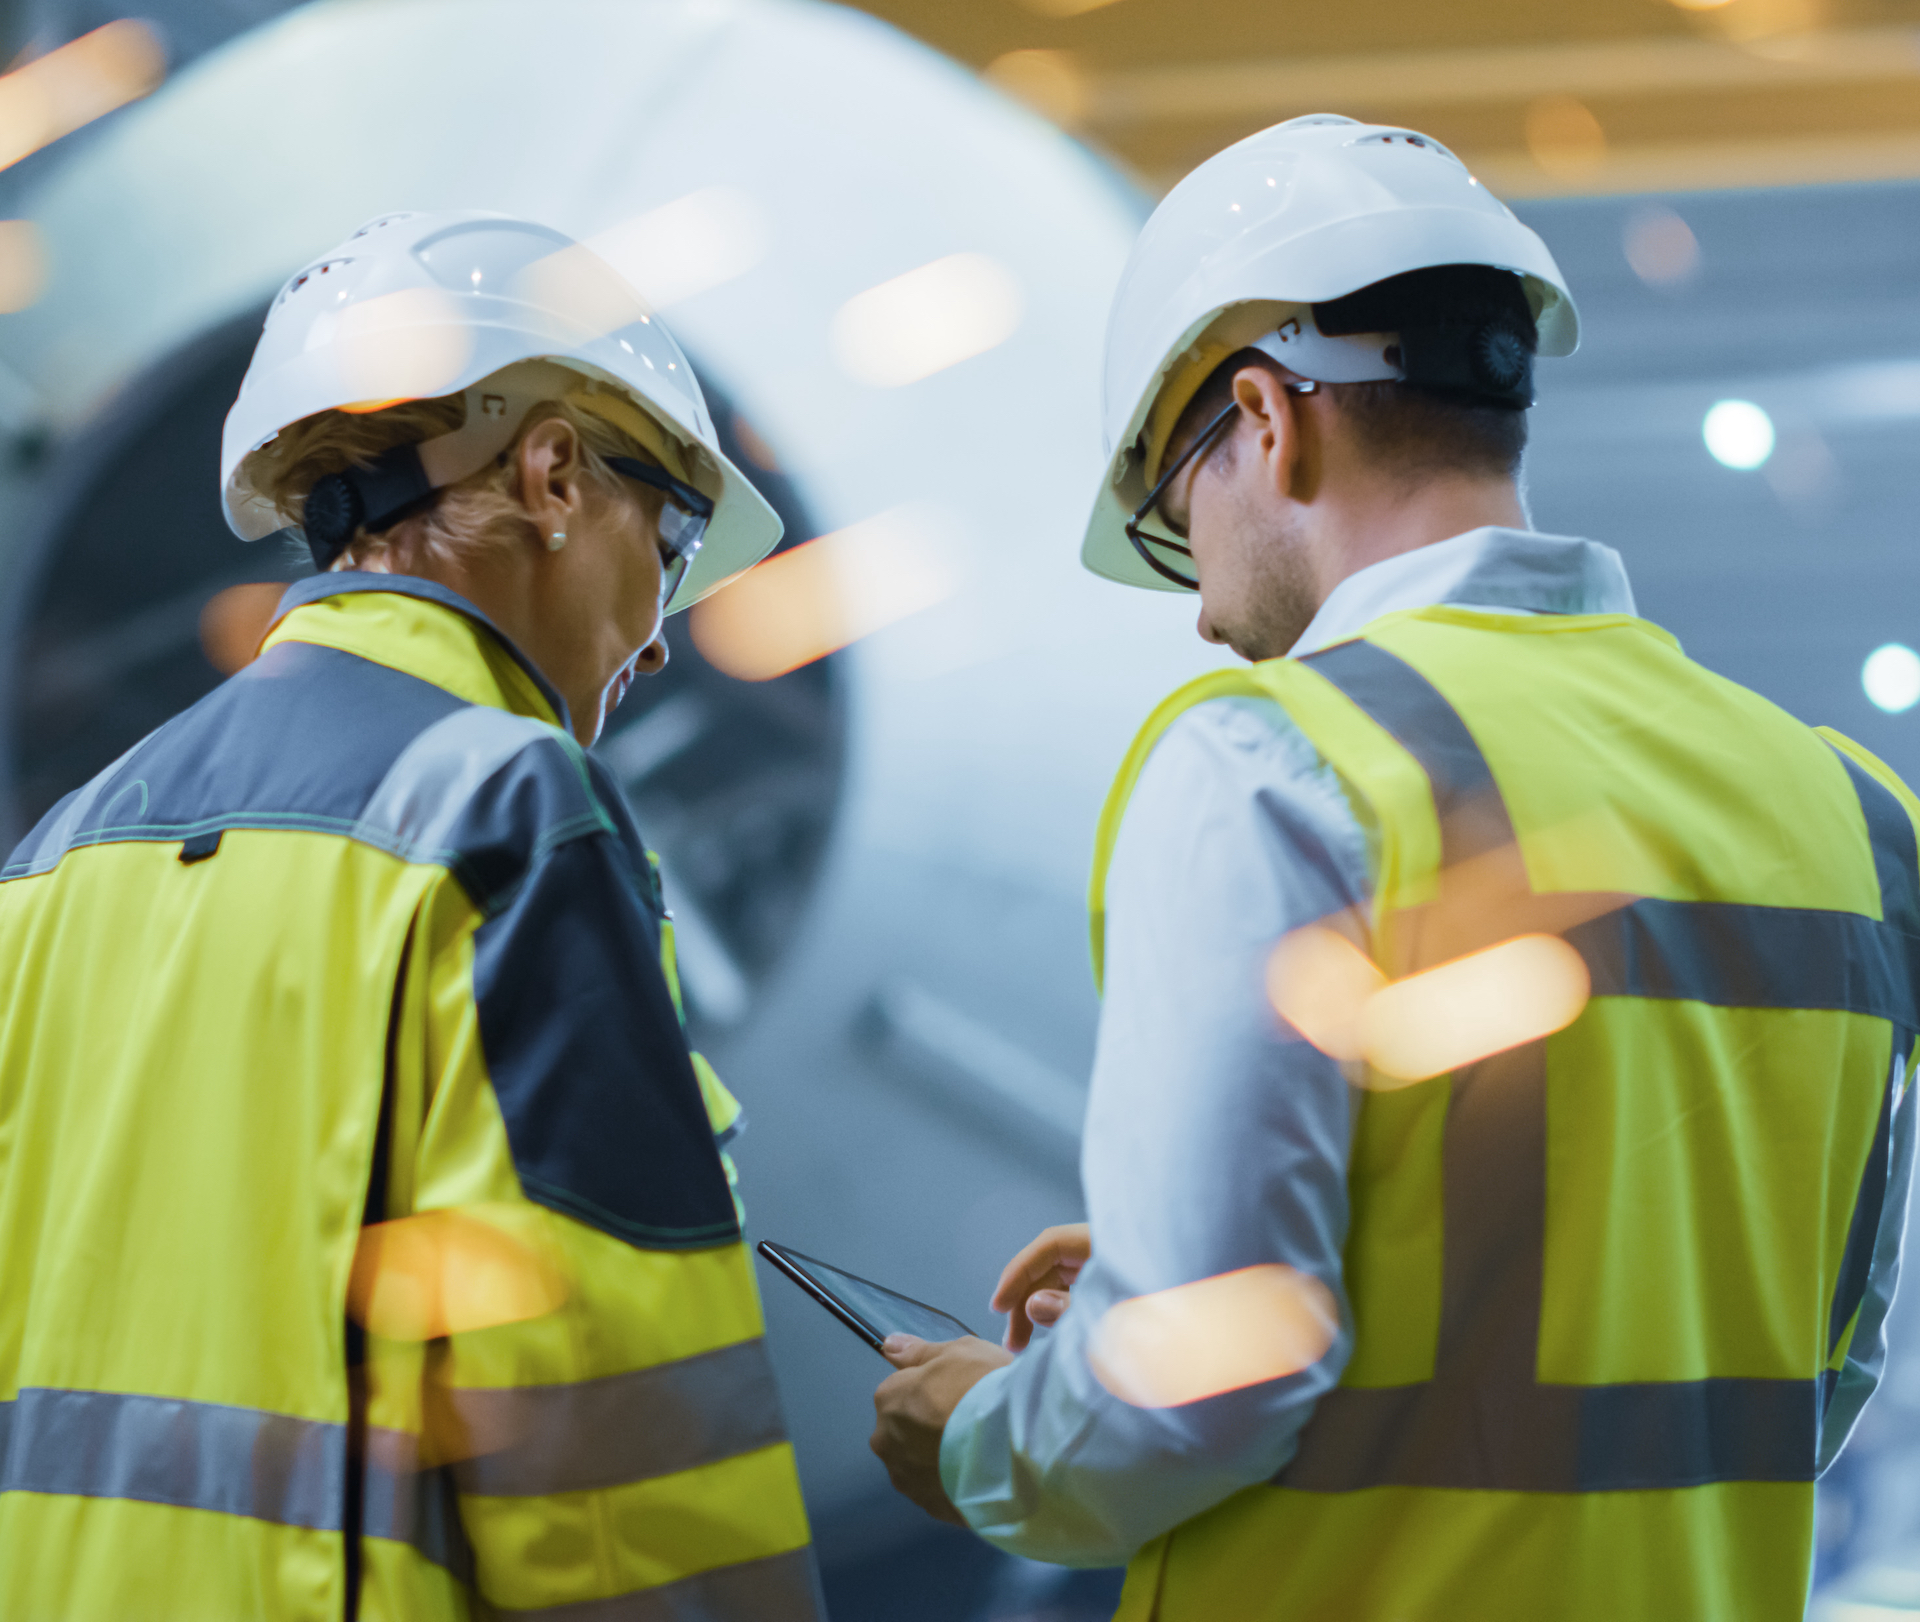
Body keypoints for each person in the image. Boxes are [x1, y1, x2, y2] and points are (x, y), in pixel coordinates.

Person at [870, 116, 1920, 1619]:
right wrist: (1362, 1233)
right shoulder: (1848, 811)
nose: (1204, 613)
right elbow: (1781, 1354)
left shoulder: (1277, 765)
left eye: (1180, 530)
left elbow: (1202, 1391)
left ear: (1267, 419)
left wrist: (984, 1429)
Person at [0, 212, 823, 1621]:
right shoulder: (501, 814)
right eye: (673, 540)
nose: (665, 628)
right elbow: (607, 1431)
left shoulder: (53, 861)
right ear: (554, 475)